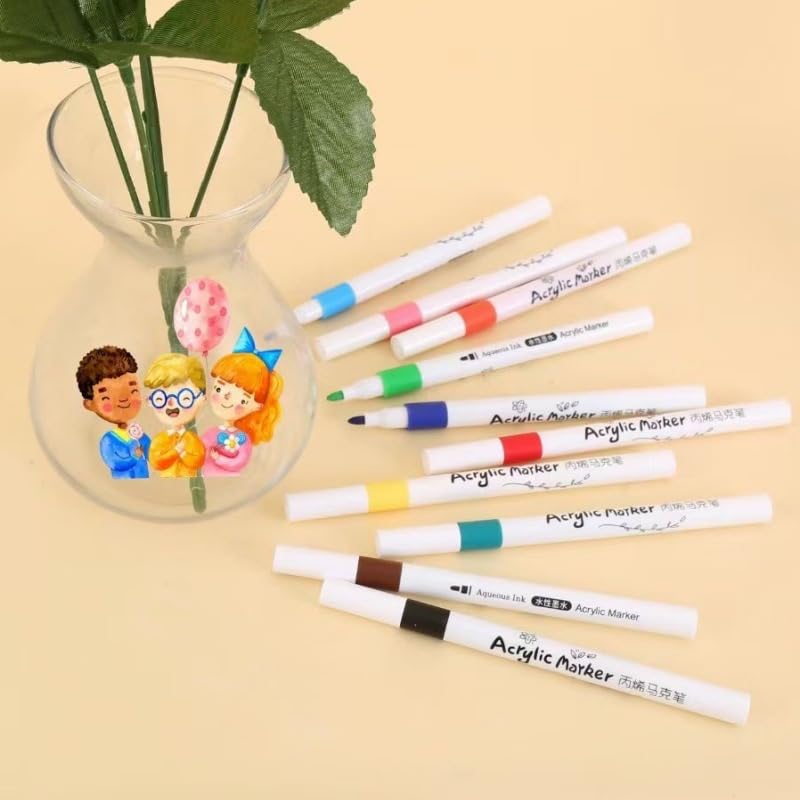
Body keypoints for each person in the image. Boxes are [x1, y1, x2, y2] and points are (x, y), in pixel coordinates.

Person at [201, 327, 283, 477]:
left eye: (243, 399)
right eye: (219, 388)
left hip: (229, 481)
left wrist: (220, 459)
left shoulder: (242, 439)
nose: (226, 398)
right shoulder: (210, 433)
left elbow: (240, 461)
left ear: (258, 406)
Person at [76, 345, 150, 479]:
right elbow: (114, 463)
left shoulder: (137, 434)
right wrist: (134, 456)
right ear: (90, 404)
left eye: (133, 390)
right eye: (106, 397)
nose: (123, 399)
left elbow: (151, 453)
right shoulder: (108, 441)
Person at [144, 353, 206, 478]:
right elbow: (156, 462)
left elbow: (198, 461)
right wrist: (175, 452)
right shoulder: (160, 439)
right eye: (160, 399)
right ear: (150, 401)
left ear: (200, 399)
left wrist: (183, 454)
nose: (171, 404)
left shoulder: (191, 439)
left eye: (185, 398)